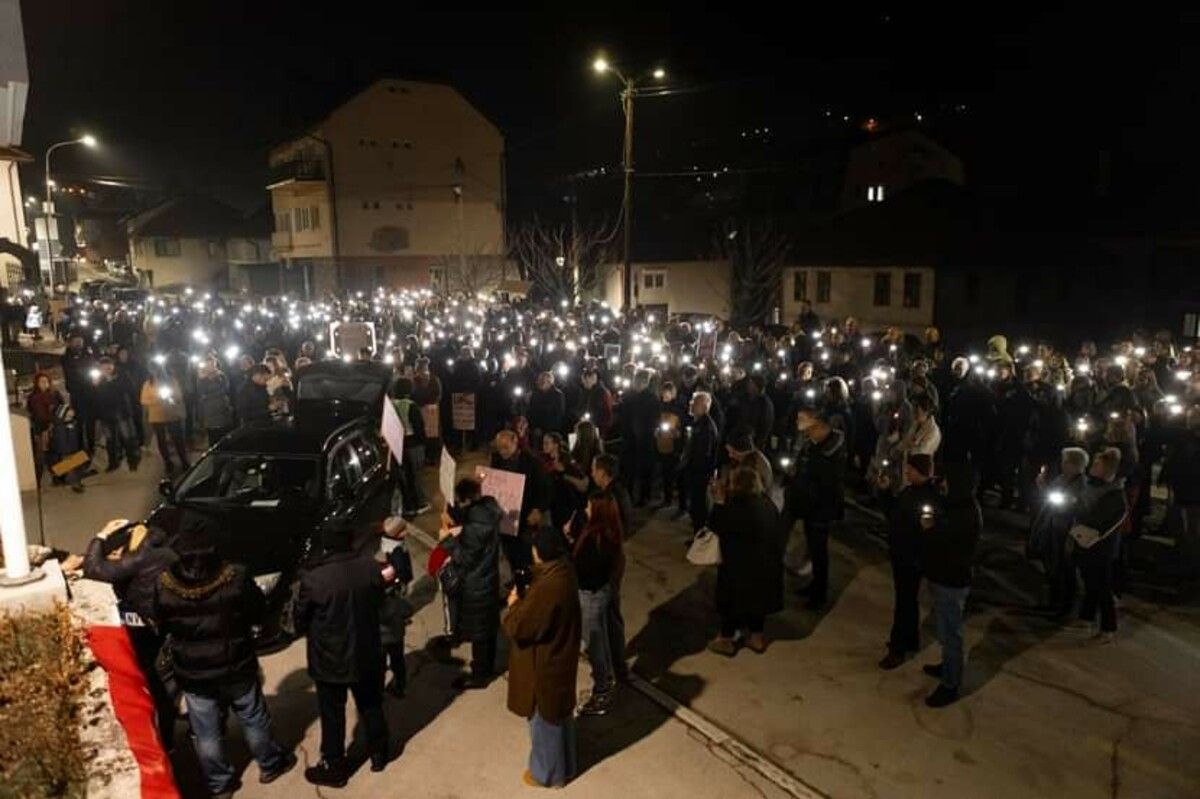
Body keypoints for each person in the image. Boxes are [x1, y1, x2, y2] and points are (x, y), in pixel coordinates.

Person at [152, 515, 295, 796]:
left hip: (193, 671)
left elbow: (161, 622)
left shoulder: (166, 584)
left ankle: (220, 784)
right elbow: (257, 610)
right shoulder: (235, 576)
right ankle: (270, 764)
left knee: (206, 731)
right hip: (236, 663)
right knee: (253, 717)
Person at [294, 520, 390, 786]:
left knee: (332, 712)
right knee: (371, 704)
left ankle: (334, 765)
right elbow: (379, 601)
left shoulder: (314, 578)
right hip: (367, 650)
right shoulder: (370, 567)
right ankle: (379, 753)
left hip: (330, 657)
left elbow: (300, 619)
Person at [84, 520, 179, 750]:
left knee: (156, 689)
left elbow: (93, 570)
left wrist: (101, 535)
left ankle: (161, 741)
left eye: (116, 552)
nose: (115, 556)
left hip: (149, 633)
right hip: (164, 631)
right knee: (167, 688)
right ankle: (168, 738)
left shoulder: (140, 558)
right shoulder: (158, 550)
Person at [502, 526, 582, 789]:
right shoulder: (564, 571)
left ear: (540, 552)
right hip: (560, 656)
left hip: (544, 663)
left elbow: (520, 626)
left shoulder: (549, 586)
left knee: (544, 719)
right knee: (559, 716)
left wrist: (514, 603)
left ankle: (547, 774)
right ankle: (566, 766)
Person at [920, 463, 982, 708]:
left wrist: (929, 530)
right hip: (944, 576)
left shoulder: (965, 514)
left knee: (951, 632)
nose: (943, 484)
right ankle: (947, 666)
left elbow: (947, 543)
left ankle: (950, 684)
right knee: (944, 629)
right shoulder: (959, 505)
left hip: (952, 580)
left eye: (947, 481)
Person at [707, 467, 784, 656]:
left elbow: (716, 526)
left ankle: (726, 639)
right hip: (767, 564)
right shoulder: (768, 505)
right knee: (758, 600)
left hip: (740, 565)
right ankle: (756, 638)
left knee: (732, 600)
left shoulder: (737, 506)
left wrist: (717, 502)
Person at [878, 453, 940, 669]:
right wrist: (885, 492)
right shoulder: (910, 491)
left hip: (911, 558)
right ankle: (910, 639)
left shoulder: (929, 497)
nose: (906, 472)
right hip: (901, 553)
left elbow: (926, 530)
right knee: (908, 600)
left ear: (921, 472)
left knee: (904, 603)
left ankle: (897, 649)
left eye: (910, 469)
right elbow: (893, 513)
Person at [441, 477, 503, 690]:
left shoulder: (476, 526)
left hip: (476, 583)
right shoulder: (487, 510)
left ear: (467, 500)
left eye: (459, 501)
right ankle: (488, 666)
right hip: (489, 577)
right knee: (488, 628)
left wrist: (447, 539)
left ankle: (480, 676)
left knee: (479, 631)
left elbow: (465, 556)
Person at [783, 407, 847, 609]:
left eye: (811, 429)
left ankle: (819, 593)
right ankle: (814, 585)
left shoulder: (832, 452)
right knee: (814, 547)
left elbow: (826, 482)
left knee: (819, 551)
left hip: (820, 507)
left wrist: (804, 481)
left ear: (822, 427)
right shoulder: (814, 444)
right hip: (808, 503)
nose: (808, 433)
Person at [567, 494, 624, 715]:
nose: (586, 508)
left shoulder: (596, 537)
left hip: (591, 595)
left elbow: (584, 567)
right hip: (601, 591)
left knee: (594, 645)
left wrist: (571, 553)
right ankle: (607, 678)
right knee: (600, 639)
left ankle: (602, 690)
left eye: (590, 505)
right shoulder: (609, 532)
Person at [1070, 447, 1129, 643]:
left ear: (1106, 470)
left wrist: (1079, 514)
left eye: (1097, 465)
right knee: (1089, 582)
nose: (1092, 467)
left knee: (1102, 586)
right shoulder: (1091, 487)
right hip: (1084, 541)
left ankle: (1108, 628)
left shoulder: (1114, 495)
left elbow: (1100, 520)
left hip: (1100, 547)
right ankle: (1086, 617)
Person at [1029, 447, 1090, 615]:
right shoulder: (1061, 479)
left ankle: (1065, 607)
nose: (1062, 465)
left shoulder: (1081, 484)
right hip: (1052, 526)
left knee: (1065, 569)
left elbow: (1070, 505)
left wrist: (1052, 496)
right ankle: (1052, 601)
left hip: (1065, 531)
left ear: (1074, 464)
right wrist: (1043, 487)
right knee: (1052, 566)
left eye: (1066, 462)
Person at [491, 429, 550, 572]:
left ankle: (525, 580)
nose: (502, 452)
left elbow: (546, 490)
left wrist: (538, 509)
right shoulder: (496, 458)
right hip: (505, 515)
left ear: (515, 442)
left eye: (506, 447)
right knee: (508, 549)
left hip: (525, 516)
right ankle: (515, 575)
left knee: (524, 553)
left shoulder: (532, 462)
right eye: (499, 448)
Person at [1160, 405, 1200, 576]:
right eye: (1190, 416)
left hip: (1194, 491)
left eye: (1194, 417)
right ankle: (1182, 555)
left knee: (1193, 528)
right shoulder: (1184, 434)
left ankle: (1193, 564)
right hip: (1180, 487)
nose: (1190, 420)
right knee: (1179, 524)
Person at [390, 377, 431, 517]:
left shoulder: (391, 404)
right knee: (416, 475)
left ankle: (407, 505)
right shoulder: (411, 405)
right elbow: (419, 427)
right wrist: (425, 443)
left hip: (397, 443)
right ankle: (419, 503)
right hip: (413, 443)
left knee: (404, 476)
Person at [618, 369, 659, 506]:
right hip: (632, 439)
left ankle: (642, 496)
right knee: (631, 470)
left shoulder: (651, 399)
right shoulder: (631, 396)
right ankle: (631, 495)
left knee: (642, 470)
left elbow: (653, 421)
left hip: (643, 440)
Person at [680, 391, 720, 532]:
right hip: (695, 471)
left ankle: (700, 536)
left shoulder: (706, 428)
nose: (691, 405)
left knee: (699, 506)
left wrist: (691, 468)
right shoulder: (698, 423)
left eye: (695, 403)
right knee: (696, 505)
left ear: (704, 407)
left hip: (699, 473)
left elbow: (703, 455)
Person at [93, 356, 141, 472]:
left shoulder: (122, 376)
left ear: (113, 366)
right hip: (106, 413)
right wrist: (96, 386)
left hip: (121, 412)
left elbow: (129, 390)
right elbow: (97, 397)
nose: (106, 370)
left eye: (108, 367)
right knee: (110, 440)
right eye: (103, 368)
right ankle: (113, 462)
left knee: (128, 437)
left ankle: (132, 461)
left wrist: (111, 382)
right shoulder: (99, 380)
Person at [141, 369, 190, 474]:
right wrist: (157, 400)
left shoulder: (171, 381)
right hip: (157, 417)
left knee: (178, 439)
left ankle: (184, 460)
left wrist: (170, 398)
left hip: (171, 415)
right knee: (161, 441)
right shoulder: (148, 384)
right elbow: (144, 400)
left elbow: (178, 395)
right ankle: (168, 463)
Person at [26, 371, 64, 485]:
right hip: (41, 428)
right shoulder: (33, 397)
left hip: (55, 427)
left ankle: (59, 475)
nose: (44, 384)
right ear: (36, 383)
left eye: (46, 381)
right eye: (41, 382)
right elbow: (31, 412)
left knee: (57, 452)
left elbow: (62, 407)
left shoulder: (55, 394)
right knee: (44, 454)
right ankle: (41, 477)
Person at [196, 356, 234, 447]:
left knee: (224, 436)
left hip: (222, 408)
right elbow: (201, 392)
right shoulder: (201, 378)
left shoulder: (221, 375)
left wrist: (209, 395)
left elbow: (225, 389)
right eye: (208, 364)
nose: (211, 366)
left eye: (212, 364)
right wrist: (204, 380)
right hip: (210, 411)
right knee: (212, 437)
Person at [528, 371, 566, 447]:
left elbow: (559, 414)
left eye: (542, 381)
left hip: (551, 430)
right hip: (536, 429)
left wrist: (546, 429)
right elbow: (531, 411)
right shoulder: (535, 394)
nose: (539, 383)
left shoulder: (558, 395)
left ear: (550, 382)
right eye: (539, 380)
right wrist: (535, 427)